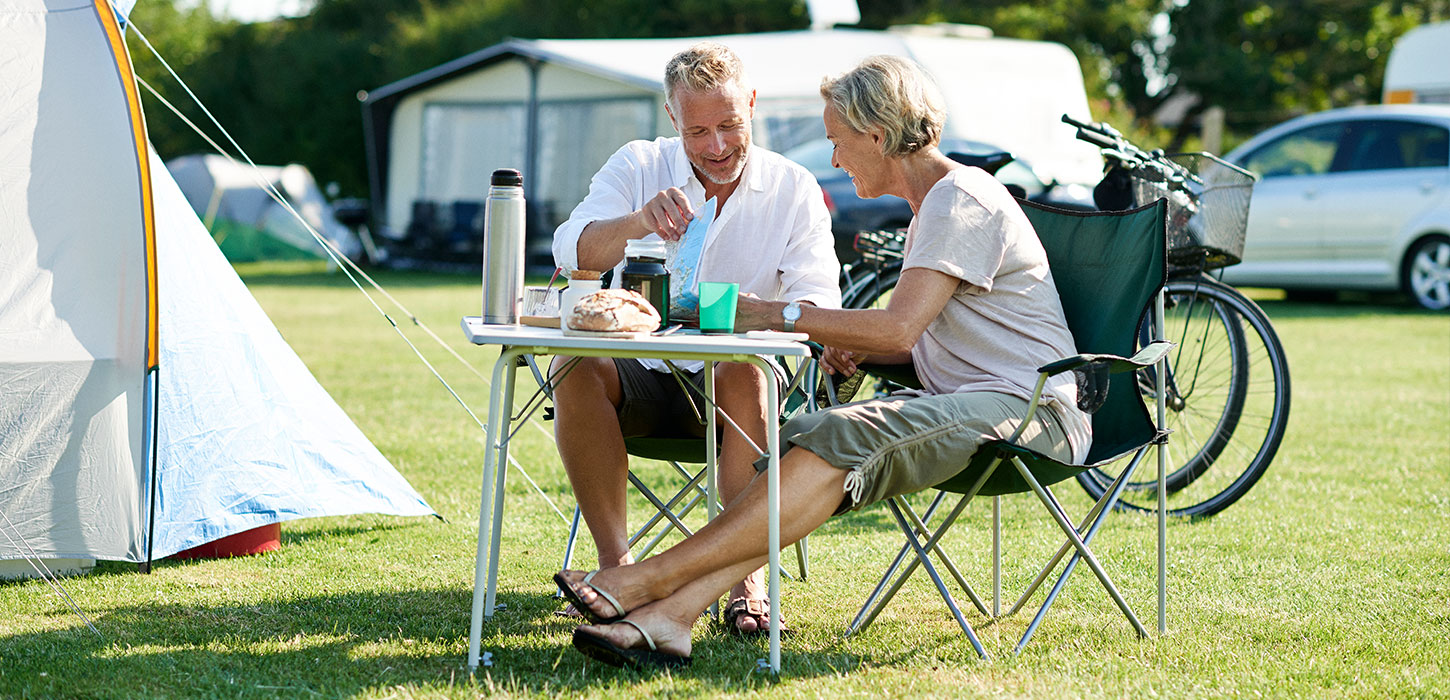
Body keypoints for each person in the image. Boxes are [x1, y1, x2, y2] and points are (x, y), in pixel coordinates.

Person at [554, 54, 1094, 670]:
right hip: (966, 405)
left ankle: (640, 583)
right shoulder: (932, 210)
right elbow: (905, 340)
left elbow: (895, 324)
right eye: (696, 131)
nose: (834, 158)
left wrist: (774, 315)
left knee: (832, 430)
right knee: (812, 436)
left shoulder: (960, 198)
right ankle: (675, 616)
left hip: (1031, 411)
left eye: (839, 141)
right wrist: (850, 344)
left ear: (877, 134)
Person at [548, 41, 841, 635]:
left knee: (743, 369)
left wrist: (753, 316)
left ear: (753, 105)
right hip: (646, 377)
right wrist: (637, 222)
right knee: (573, 361)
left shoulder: (793, 187)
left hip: (742, 387)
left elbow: (818, 307)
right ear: (671, 118)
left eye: (730, 125)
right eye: (697, 130)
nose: (716, 147)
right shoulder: (639, 164)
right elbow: (571, 251)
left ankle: (744, 583)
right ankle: (619, 572)